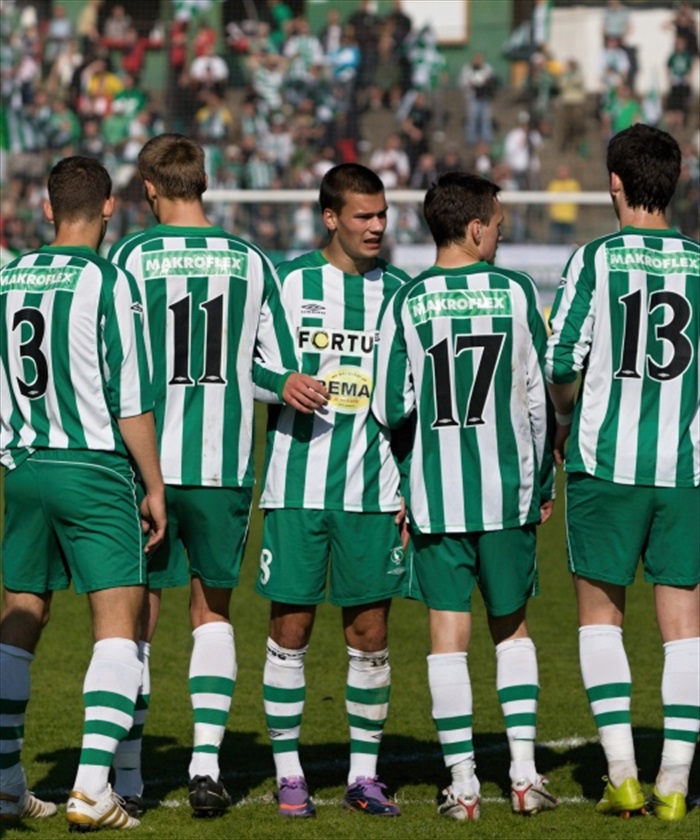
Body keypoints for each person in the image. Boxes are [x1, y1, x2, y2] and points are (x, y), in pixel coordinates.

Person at [108, 134, 326, 818]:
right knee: (212, 612)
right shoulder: (251, 261)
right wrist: (276, 380)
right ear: (204, 182)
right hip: (223, 465)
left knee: (136, 615)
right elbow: (275, 371)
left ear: (149, 188)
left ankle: (131, 774)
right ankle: (206, 766)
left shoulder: (129, 258)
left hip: (145, 466)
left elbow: (110, 360)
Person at [373, 172, 557, 822]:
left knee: (446, 636)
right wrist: (540, 484)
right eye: (499, 221)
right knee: (512, 632)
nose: (503, 230)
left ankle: (463, 786)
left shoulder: (409, 298)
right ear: (476, 227)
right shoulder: (513, 291)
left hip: (437, 498)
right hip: (506, 495)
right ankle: (527, 777)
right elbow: (536, 401)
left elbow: (388, 402)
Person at [0, 156, 166, 829]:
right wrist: (153, 486)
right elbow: (131, 401)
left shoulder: (8, 276)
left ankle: (8, 781)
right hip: (92, 468)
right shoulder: (109, 280)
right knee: (118, 623)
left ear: (46, 209)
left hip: (23, 467)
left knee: (21, 619)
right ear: (108, 209)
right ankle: (94, 788)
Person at [545, 123, 699, 821]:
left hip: (606, 463)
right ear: (674, 184)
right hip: (684, 469)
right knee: (685, 626)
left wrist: (559, 421)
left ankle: (623, 777)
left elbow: (559, 361)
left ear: (615, 183)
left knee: (601, 620)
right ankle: (674, 785)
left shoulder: (596, 261)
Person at [255, 163, 410, 818]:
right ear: (330, 217)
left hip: (374, 489)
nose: (376, 227)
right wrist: (282, 379)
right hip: (297, 485)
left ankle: (364, 776)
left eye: (381, 215)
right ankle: (289, 773)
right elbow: (248, 362)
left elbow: (413, 395)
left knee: (370, 632)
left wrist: (415, 486)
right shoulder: (289, 282)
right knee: (290, 628)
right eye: (363, 216)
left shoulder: (401, 292)